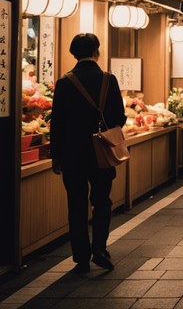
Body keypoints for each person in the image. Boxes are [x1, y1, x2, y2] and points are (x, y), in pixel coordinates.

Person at [49, 33, 127, 273]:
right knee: (102, 201)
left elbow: (57, 123)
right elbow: (120, 117)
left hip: (72, 155)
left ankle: (80, 257)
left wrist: (56, 155)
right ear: (97, 51)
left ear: (74, 54)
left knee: (76, 203)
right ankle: (100, 249)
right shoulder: (108, 79)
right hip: (101, 153)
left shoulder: (64, 82)